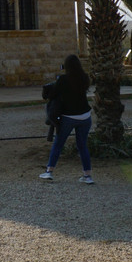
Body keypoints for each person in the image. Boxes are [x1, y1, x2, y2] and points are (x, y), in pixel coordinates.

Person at [39, 54, 94, 184]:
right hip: (85, 116)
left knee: (58, 144)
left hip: (69, 116)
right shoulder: (84, 78)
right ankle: (87, 175)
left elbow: (52, 94)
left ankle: (49, 171)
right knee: (82, 146)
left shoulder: (64, 79)